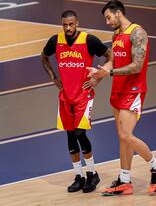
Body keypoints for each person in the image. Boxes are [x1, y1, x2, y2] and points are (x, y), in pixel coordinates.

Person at [87, 0, 156, 195]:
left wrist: (109, 73)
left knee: (126, 136)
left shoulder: (138, 33)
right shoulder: (116, 35)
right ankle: (124, 181)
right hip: (117, 90)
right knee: (122, 139)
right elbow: (113, 61)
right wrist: (100, 74)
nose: (107, 22)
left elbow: (137, 66)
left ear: (118, 13)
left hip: (133, 90)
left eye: (108, 17)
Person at [41, 10, 111, 193]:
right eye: (65, 24)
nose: (68, 28)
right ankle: (78, 176)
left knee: (80, 133)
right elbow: (44, 57)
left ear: (77, 23)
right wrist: (53, 77)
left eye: (71, 24)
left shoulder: (89, 40)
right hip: (66, 97)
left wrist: (98, 77)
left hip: (83, 96)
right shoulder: (56, 41)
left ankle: (92, 174)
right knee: (70, 136)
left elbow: (110, 57)